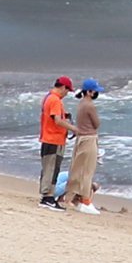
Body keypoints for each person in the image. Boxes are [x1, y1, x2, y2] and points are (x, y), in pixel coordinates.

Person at [63, 79, 104, 215]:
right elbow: (97, 124)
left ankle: (73, 197)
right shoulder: (89, 106)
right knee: (87, 170)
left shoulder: (81, 104)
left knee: (78, 169)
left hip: (81, 139)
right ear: (90, 92)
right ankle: (85, 200)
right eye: (95, 91)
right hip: (89, 138)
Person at [38, 76, 75, 209]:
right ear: (63, 87)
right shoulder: (55, 100)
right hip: (53, 139)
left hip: (48, 138)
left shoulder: (48, 97)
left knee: (49, 168)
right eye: (67, 90)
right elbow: (57, 121)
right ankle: (48, 197)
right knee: (52, 169)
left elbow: (54, 117)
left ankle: (47, 196)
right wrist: (75, 129)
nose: (67, 93)